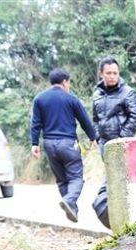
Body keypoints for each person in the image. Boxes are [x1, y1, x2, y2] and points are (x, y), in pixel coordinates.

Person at [30, 68, 97, 222]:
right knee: (76, 177)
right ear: (65, 81)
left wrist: (34, 143)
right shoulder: (71, 98)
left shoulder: (40, 99)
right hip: (68, 143)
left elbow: (35, 123)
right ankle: (69, 201)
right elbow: (84, 120)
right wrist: (93, 137)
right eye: (69, 82)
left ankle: (71, 208)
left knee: (61, 180)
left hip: (49, 144)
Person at [92, 57, 136, 155]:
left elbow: (135, 117)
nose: (112, 76)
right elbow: (95, 119)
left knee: (125, 170)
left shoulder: (128, 92)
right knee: (109, 170)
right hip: (104, 144)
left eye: (115, 73)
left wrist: (122, 138)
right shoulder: (97, 94)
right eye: (108, 73)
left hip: (123, 143)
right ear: (101, 74)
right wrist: (98, 137)